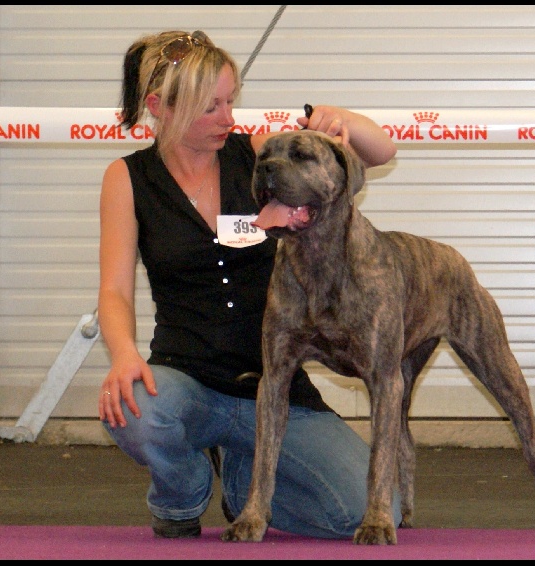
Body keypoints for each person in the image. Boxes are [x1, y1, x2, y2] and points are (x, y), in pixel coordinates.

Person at [97, 29, 400, 539]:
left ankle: (244, 482)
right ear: (159, 106)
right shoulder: (126, 178)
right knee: (133, 408)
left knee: (368, 512)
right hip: (187, 378)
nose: (228, 118)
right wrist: (124, 353)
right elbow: (115, 292)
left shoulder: (260, 155)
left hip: (276, 388)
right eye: (209, 107)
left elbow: (381, 150)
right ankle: (182, 494)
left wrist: (340, 119)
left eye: (230, 101)